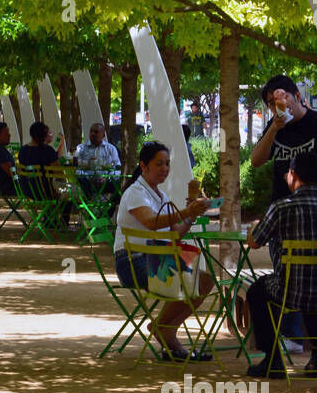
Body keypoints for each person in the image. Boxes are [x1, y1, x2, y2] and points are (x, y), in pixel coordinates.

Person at [113, 141, 215, 359]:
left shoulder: (160, 195)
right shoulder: (135, 193)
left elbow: (176, 234)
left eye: (167, 164)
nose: (165, 169)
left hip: (155, 259)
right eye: (159, 164)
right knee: (196, 280)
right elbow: (152, 222)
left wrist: (192, 214)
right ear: (144, 166)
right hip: (133, 262)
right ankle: (166, 334)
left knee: (204, 280)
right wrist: (187, 210)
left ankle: (164, 329)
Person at [249, 74, 317, 354]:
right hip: (281, 215)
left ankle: (313, 346)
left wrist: (308, 178)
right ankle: (293, 338)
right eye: (271, 103)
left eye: (281, 99)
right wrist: (274, 128)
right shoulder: (276, 125)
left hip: (314, 212)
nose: (278, 106)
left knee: (310, 277)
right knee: (286, 273)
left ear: (296, 96)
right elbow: (256, 160)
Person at [244, 151, 317, 378]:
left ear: (293, 174)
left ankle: (273, 359)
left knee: (256, 292)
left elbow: (254, 242)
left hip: (288, 291)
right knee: (313, 289)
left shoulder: (282, 207)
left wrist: (253, 226)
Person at [76, 122, 121, 199]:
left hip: (106, 182)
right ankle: (90, 203)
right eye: (91, 131)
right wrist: (88, 175)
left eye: (96, 132)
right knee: (80, 180)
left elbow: (117, 167)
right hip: (87, 182)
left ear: (103, 135)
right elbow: (76, 167)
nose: (93, 134)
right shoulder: (81, 148)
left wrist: (107, 178)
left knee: (119, 184)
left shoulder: (111, 148)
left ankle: (111, 209)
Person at [17, 120, 59, 200]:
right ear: (45, 136)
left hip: (27, 191)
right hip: (45, 192)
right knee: (70, 192)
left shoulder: (23, 150)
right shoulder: (48, 150)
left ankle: (50, 211)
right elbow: (58, 173)